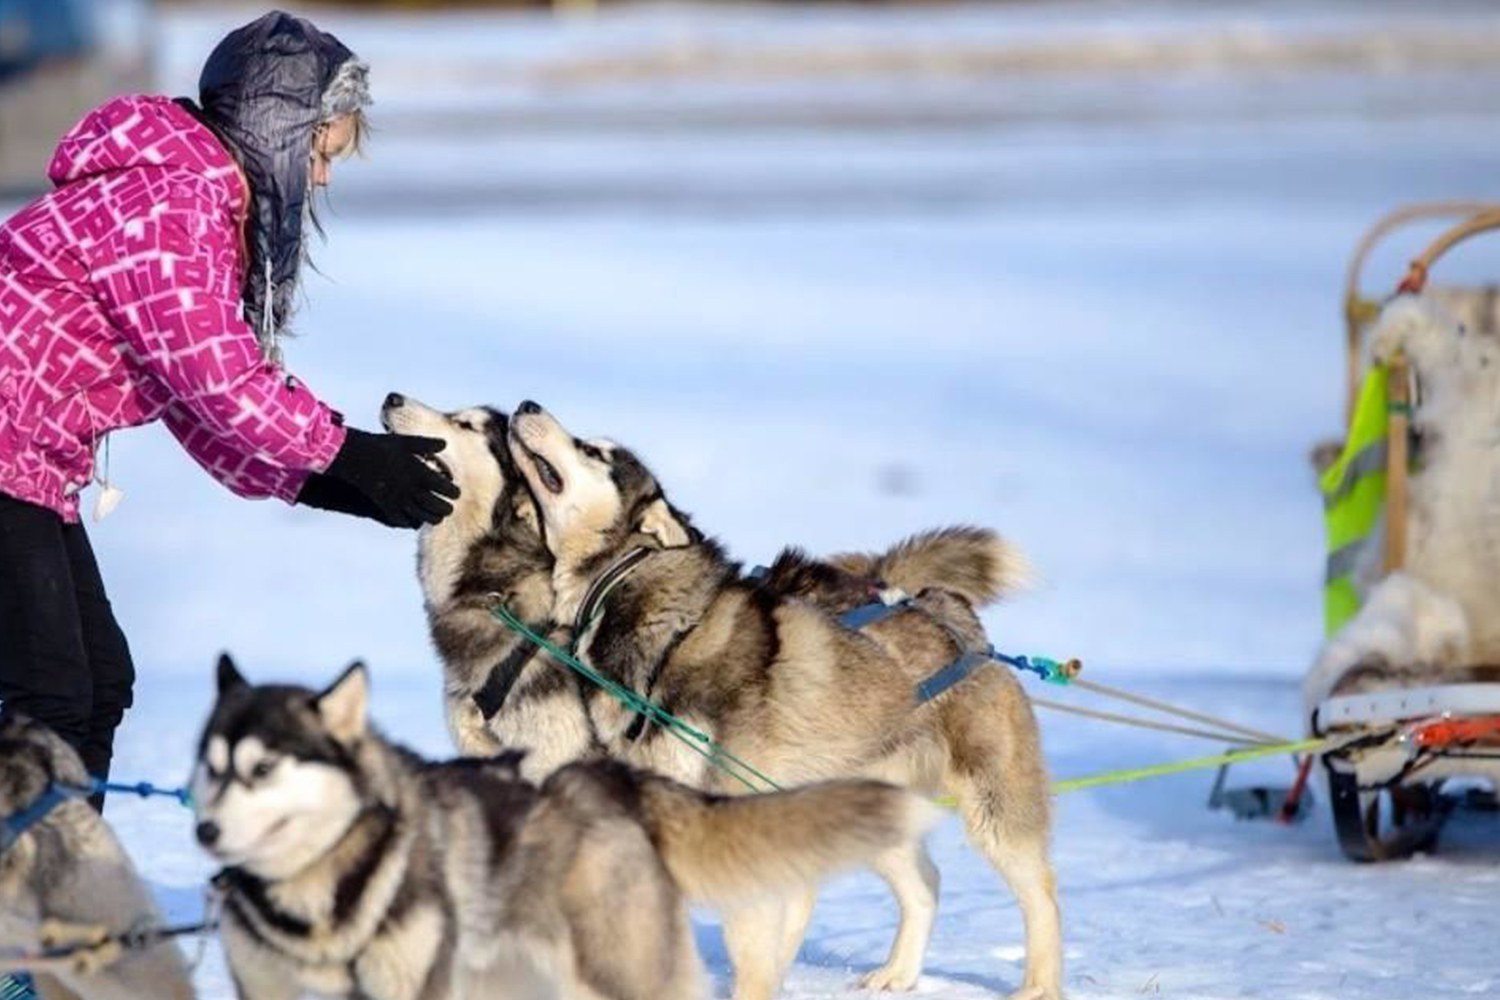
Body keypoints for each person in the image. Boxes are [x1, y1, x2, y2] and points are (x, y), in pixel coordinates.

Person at [0, 12, 458, 804]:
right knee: (53, 695)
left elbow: (200, 406)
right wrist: (349, 453)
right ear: (276, 129)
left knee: (98, 683)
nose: (321, 179)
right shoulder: (168, 206)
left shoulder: (188, 200)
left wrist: (326, 484)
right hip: (9, 460)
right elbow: (222, 383)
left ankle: (64, 868)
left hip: (27, 464)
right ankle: (35, 875)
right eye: (321, 152)